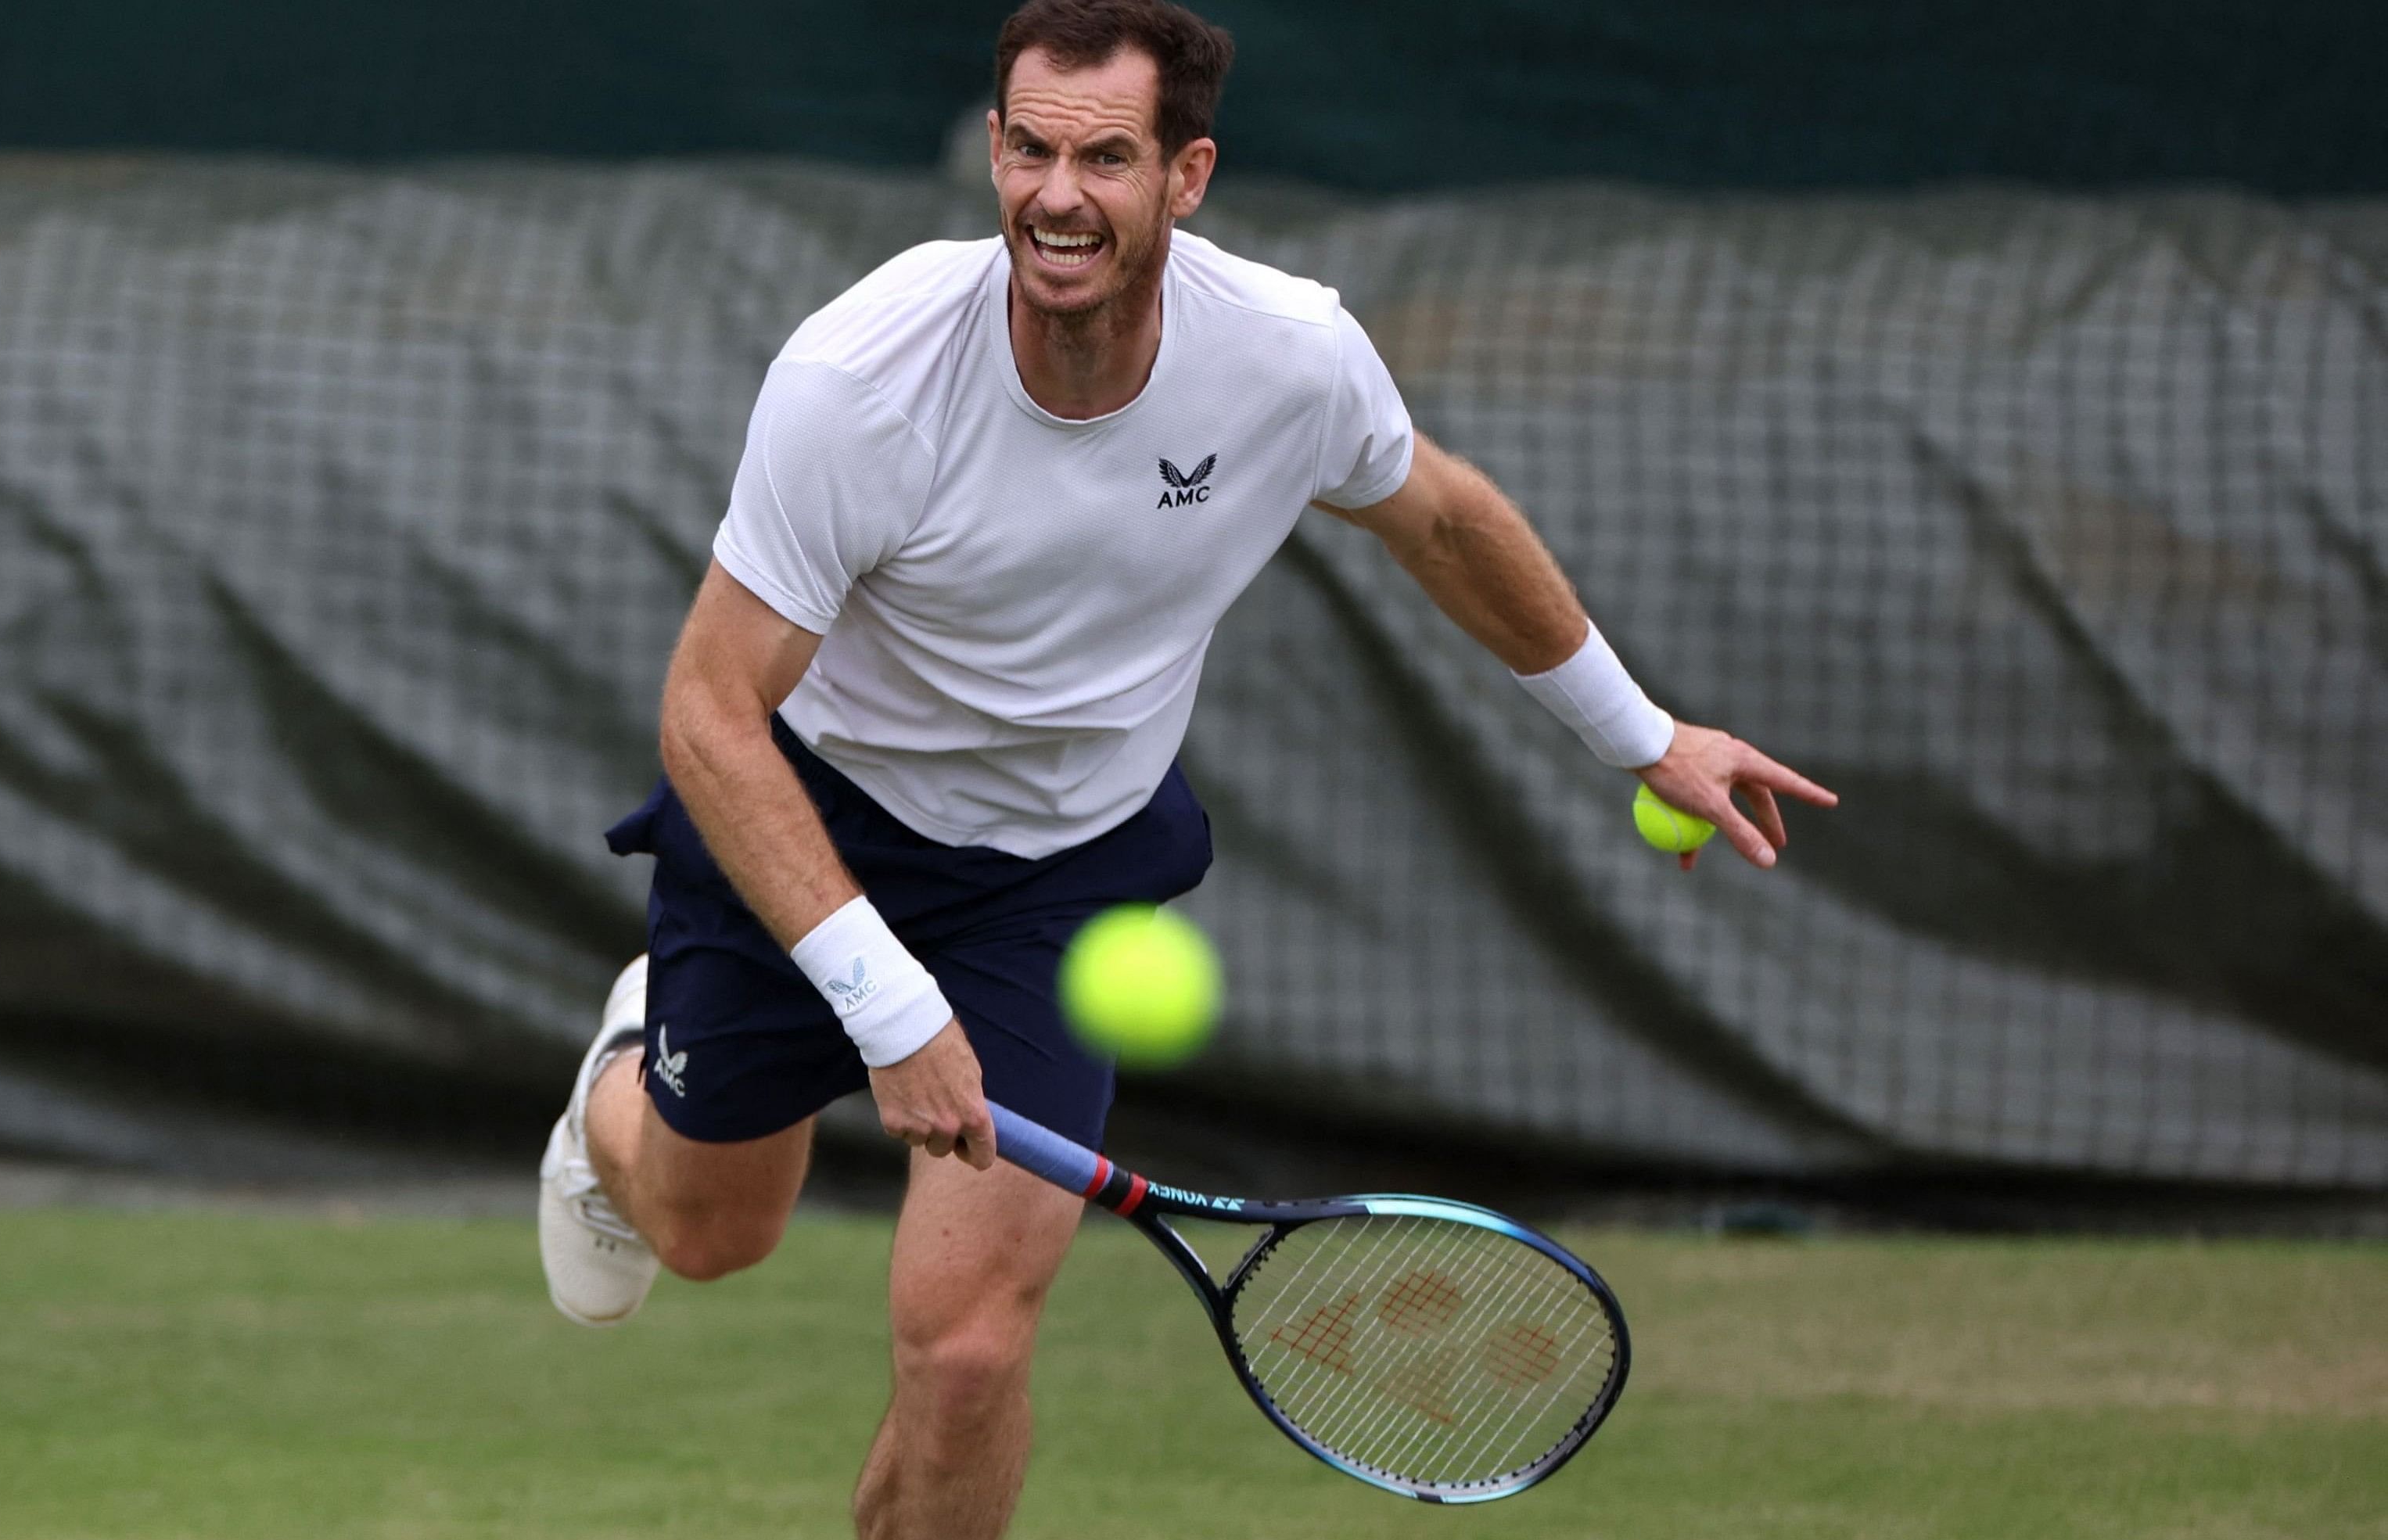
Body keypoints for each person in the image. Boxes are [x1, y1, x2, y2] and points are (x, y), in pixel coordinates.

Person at [540, 2, 1837, 1535]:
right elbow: (706, 714)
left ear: (1187, 176)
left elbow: (1440, 519)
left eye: (1103, 157)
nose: (1053, 195)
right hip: (812, 823)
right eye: (1027, 148)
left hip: (1058, 879)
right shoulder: (863, 378)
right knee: (706, 1235)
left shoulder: (1284, 358)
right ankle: (616, 1087)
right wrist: (884, 1000)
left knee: (962, 1353)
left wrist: (1647, 736)